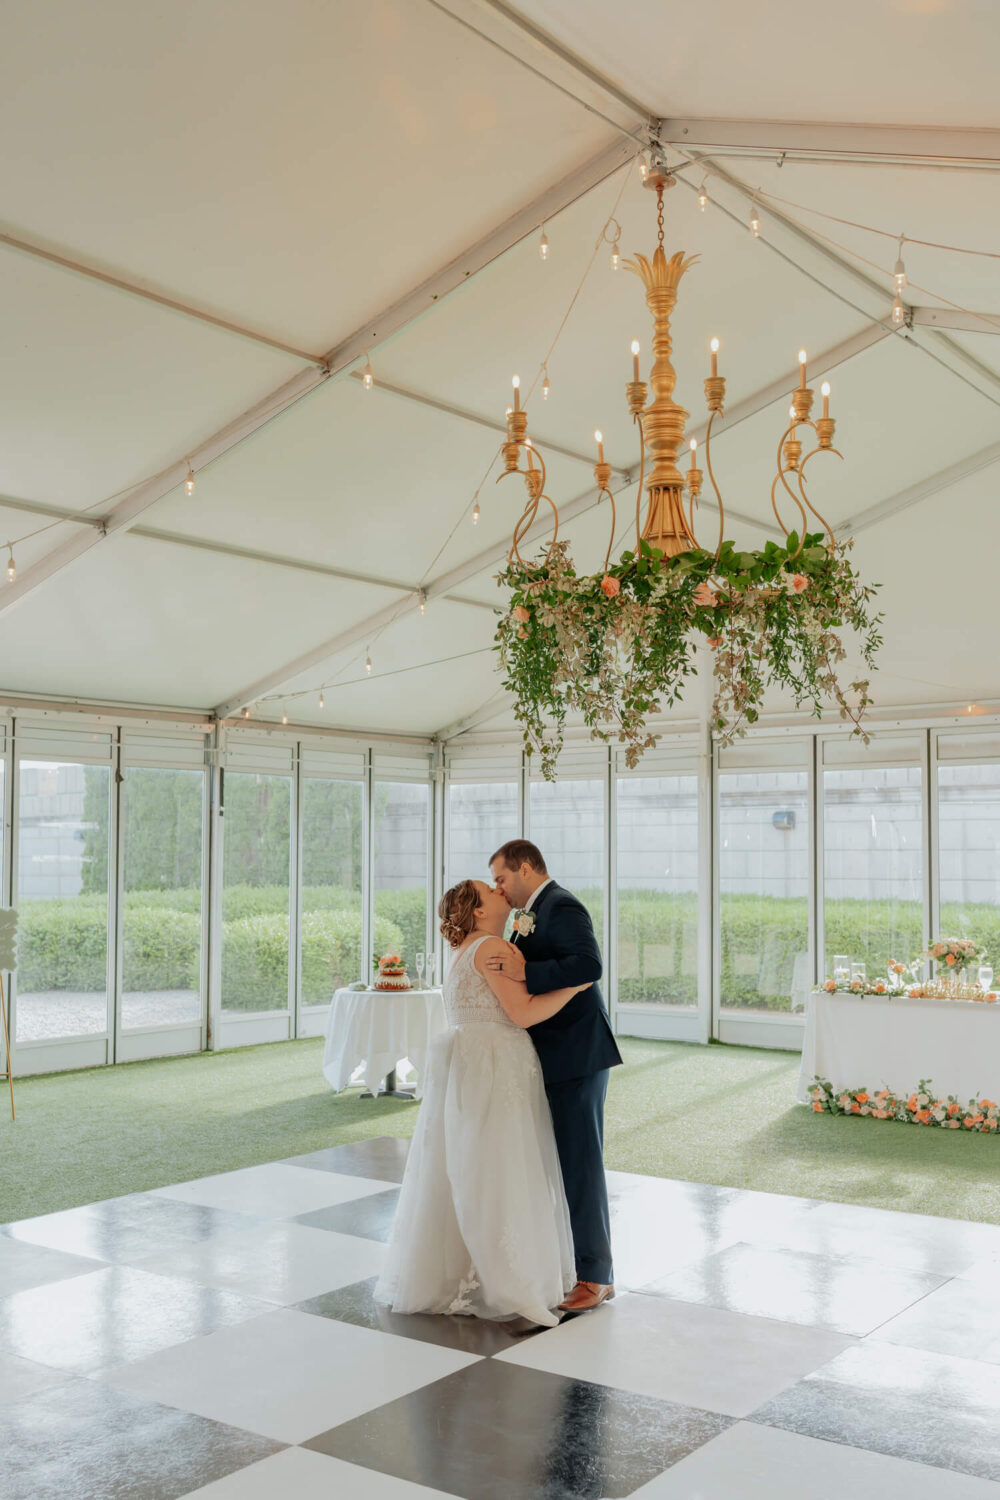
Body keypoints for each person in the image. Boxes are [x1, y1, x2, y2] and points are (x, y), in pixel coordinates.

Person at [374, 879, 587, 1327]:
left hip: (471, 1065)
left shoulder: (460, 953)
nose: (498, 890)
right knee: (503, 1166)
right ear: (476, 911)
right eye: (487, 890)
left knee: (468, 1164)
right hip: (497, 1064)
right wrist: (575, 987)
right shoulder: (491, 946)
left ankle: (463, 1270)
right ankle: (505, 1278)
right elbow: (524, 1013)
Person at [486, 840, 622, 1311]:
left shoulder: (561, 905)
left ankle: (596, 1277)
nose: (500, 891)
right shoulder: (532, 912)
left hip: (578, 1056)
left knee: (582, 1166)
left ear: (526, 868)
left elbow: (590, 965)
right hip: (556, 1056)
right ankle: (579, 1267)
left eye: (502, 878)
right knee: (564, 1164)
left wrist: (526, 968)